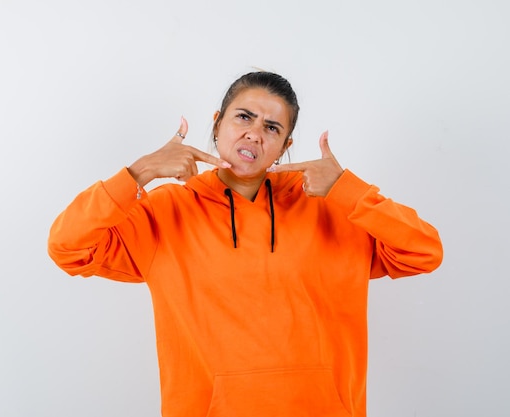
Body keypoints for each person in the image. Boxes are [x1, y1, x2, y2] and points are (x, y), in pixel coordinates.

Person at [47, 71, 443, 417]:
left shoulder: (333, 207)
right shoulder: (166, 212)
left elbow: (424, 250)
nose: (255, 132)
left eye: (272, 127)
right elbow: (67, 246)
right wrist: (140, 172)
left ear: (285, 146)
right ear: (217, 123)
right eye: (244, 117)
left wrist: (349, 191)